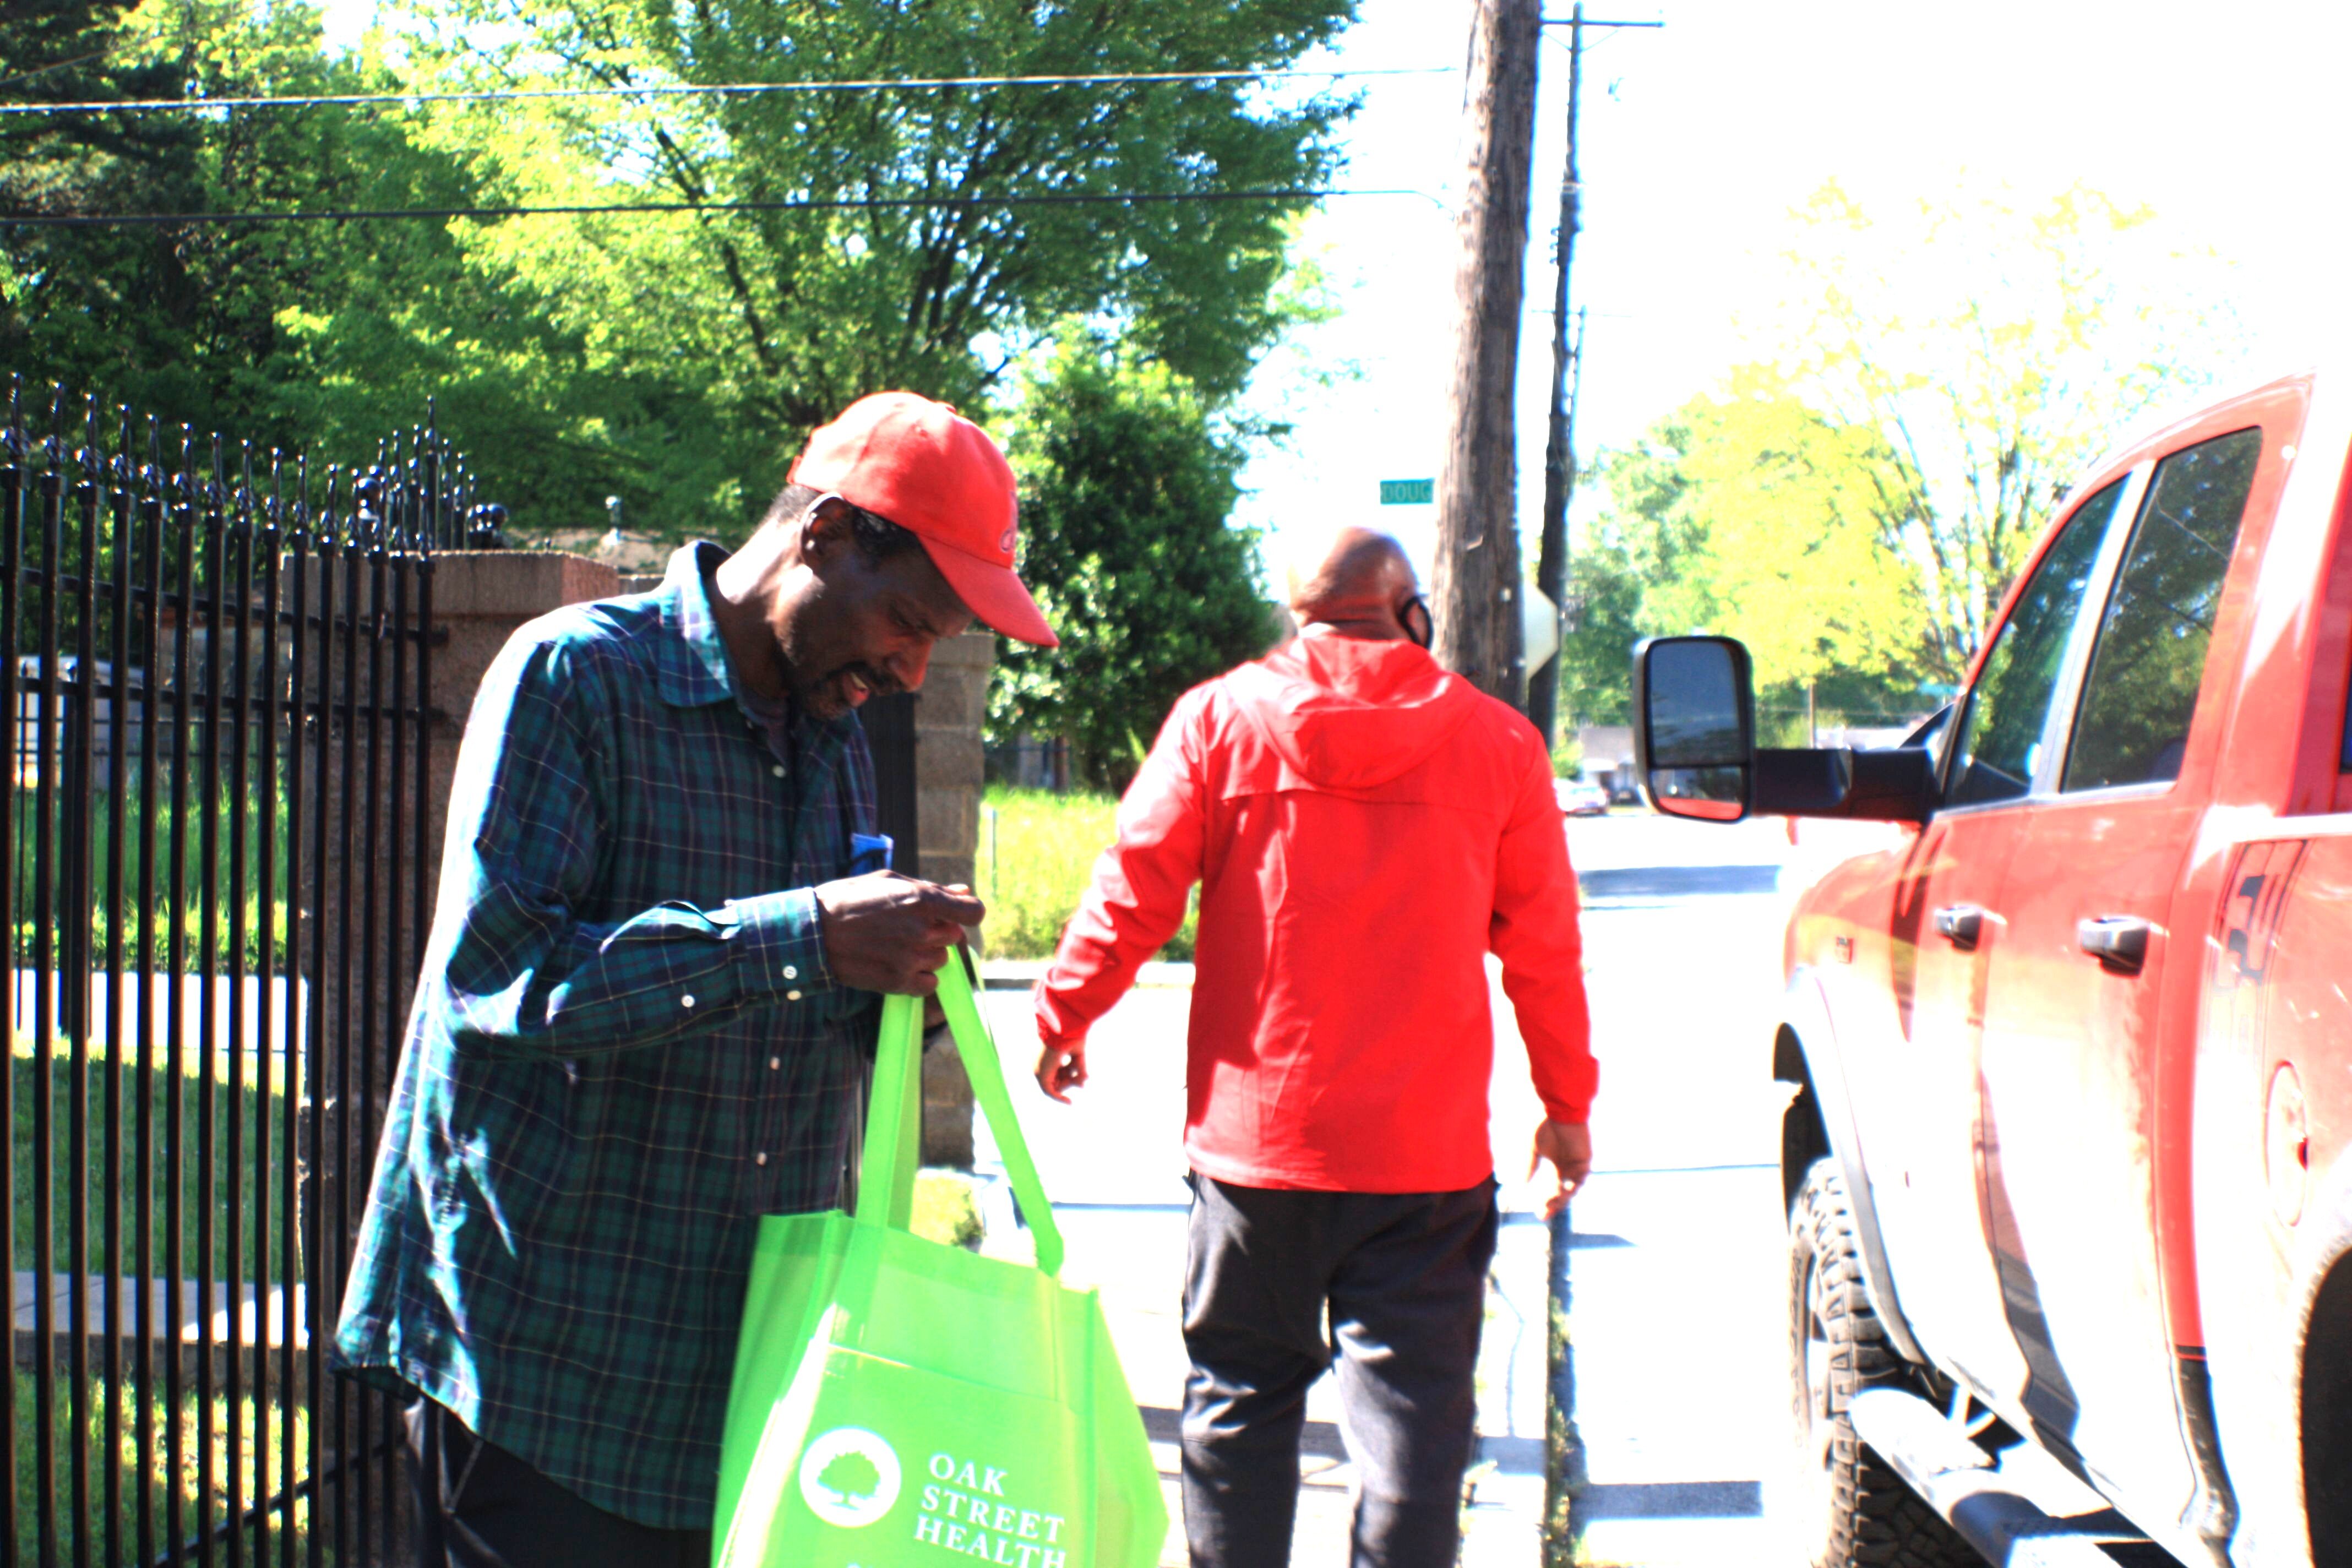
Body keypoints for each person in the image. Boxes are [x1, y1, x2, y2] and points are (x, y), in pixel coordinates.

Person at [332, 392, 1058, 1566]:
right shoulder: (575, 677)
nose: (915, 667)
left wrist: (902, 992)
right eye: (911, 619)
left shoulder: (830, 740)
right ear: (826, 533)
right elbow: (498, 979)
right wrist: (804, 937)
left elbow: (791, 1014)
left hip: (745, 1381)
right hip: (548, 1377)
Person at [1032, 526, 1594, 1568]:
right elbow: (1546, 953)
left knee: (1238, 1410)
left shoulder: (1219, 720)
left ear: (1297, 615)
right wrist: (1565, 1107)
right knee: (1415, 1442)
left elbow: (1134, 886)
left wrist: (1068, 1011)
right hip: (1424, 1167)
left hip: (1258, 1157)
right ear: (1409, 612)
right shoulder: (1500, 744)